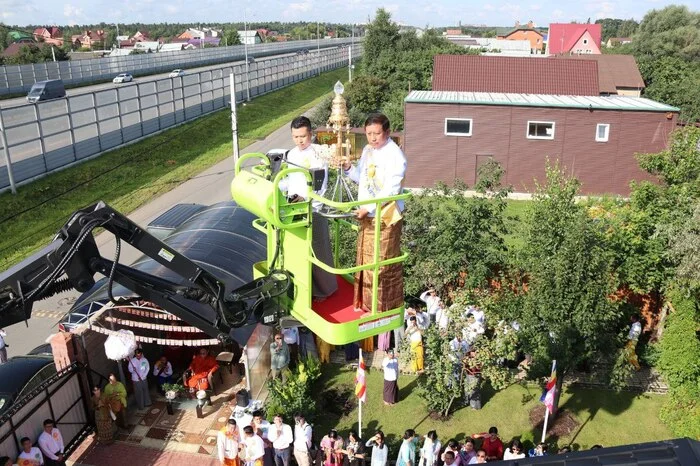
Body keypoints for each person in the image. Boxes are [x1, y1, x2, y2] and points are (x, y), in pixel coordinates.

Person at [342, 113, 407, 314]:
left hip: (386, 216)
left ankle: (380, 307)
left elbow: (392, 190)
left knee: (381, 265)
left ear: (386, 132)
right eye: (369, 133)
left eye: (376, 133)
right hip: (367, 213)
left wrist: (368, 209)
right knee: (364, 259)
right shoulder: (368, 150)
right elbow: (362, 177)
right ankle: (363, 303)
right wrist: (347, 168)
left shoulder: (395, 155)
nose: (372, 138)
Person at [281, 116, 338, 302]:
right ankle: (305, 290)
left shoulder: (319, 154)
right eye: (296, 136)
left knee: (318, 251)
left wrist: (306, 197)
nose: (299, 140)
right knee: (298, 251)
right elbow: (289, 180)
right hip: (295, 208)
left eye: (303, 136)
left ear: (310, 134)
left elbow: (320, 184)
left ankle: (326, 290)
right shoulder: (291, 154)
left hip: (314, 208)